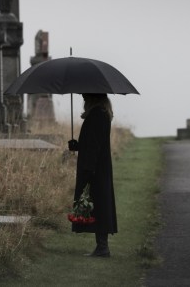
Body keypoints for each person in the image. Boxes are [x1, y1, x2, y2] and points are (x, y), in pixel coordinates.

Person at [70, 93, 117, 257]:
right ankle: (102, 247)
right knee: (100, 205)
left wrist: (89, 170)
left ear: (93, 98)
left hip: (95, 168)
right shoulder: (101, 114)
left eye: (85, 97)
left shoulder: (97, 115)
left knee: (99, 206)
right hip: (99, 167)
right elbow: (91, 143)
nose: (83, 99)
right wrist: (77, 146)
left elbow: (94, 146)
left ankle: (103, 248)